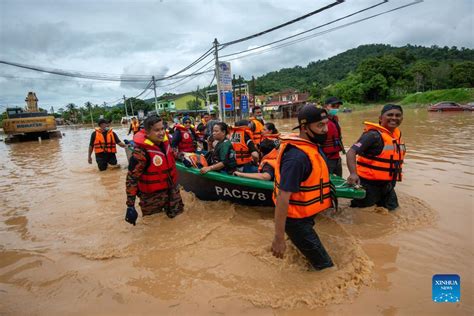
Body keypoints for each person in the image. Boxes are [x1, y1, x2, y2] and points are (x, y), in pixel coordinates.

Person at [271, 104, 334, 271]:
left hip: (304, 216)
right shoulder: (297, 158)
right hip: (295, 221)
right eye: (320, 125)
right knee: (327, 269)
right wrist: (278, 238)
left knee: (308, 259)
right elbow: (282, 198)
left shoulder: (311, 147)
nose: (325, 129)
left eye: (326, 124)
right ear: (305, 128)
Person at [125, 116, 184, 224]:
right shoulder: (140, 154)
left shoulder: (165, 143)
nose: (161, 133)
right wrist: (130, 206)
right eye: (156, 130)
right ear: (147, 133)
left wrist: (182, 157)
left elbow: (171, 154)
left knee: (178, 221)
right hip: (152, 198)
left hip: (172, 191)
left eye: (162, 129)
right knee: (154, 225)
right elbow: (131, 180)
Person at [346, 104, 406, 211]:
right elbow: (351, 152)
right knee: (359, 213)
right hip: (368, 185)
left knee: (394, 211)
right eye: (390, 115)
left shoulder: (397, 136)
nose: (394, 118)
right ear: (380, 118)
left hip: (387, 185)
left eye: (398, 115)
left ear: (402, 118)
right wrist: (353, 174)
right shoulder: (373, 135)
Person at [321, 97, 345, 177]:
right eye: (333, 106)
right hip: (327, 158)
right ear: (325, 106)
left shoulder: (335, 119)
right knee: (328, 182)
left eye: (337, 107)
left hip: (337, 157)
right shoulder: (320, 121)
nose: (335, 109)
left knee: (339, 181)